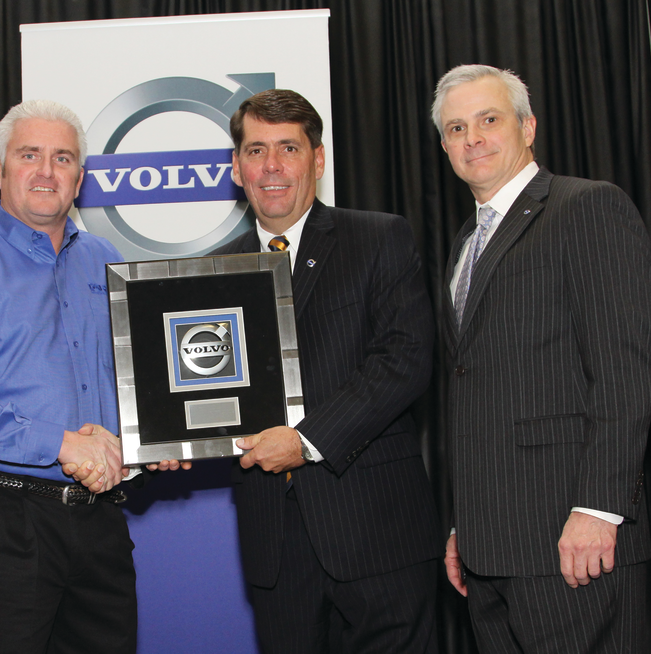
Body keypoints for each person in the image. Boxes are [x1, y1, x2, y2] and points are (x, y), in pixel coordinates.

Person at [0, 99, 186, 654]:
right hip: (3, 526)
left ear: (79, 178)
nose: (46, 170)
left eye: (62, 158)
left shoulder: (108, 262)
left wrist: (155, 435)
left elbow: (136, 379)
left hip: (101, 524)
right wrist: (57, 443)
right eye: (28, 154)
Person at [434, 64, 651, 652]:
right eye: (456, 128)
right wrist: (466, 524)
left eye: (489, 119)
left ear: (527, 127)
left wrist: (600, 509)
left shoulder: (587, 208)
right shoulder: (465, 242)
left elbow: (625, 371)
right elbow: (479, 390)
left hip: (572, 541)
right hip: (492, 551)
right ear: (444, 146)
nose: (473, 138)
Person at [211, 89, 442, 653]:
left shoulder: (379, 237)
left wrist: (307, 440)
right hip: (276, 545)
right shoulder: (214, 272)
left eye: (288, 148)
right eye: (256, 150)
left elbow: (404, 360)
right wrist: (172, 437)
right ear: (237, 168)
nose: (271, 166)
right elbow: (209, 385)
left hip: (378, 534)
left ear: (317, 159)